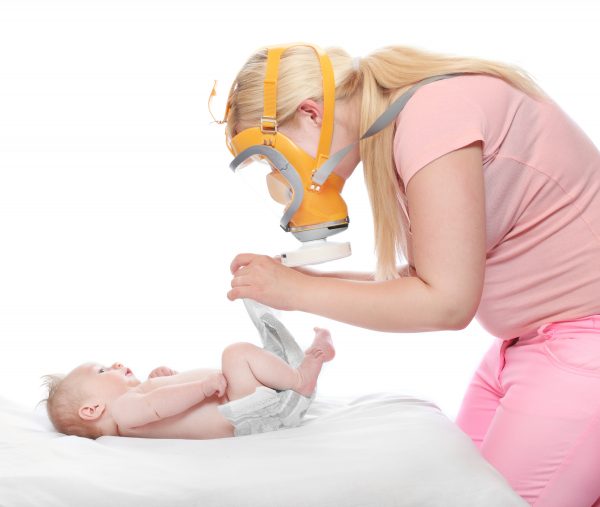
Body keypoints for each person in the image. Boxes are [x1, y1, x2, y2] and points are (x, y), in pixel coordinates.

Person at [221, 43, 600, 506]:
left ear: (311, 113)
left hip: (582, 348)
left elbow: (446, 302)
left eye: (273, 157)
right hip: (525, 349)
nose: (279, 179)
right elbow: (428, 276)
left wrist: (298, 291)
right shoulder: (407, 118)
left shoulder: (434, 117)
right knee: (456, 491)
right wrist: (300, 286)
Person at [40, 327, 334, 439]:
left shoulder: (135, 402)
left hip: (239, 402)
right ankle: (299, 378)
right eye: (102, 371)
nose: (114, 365)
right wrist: (200, 387)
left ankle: (297, 365)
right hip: (242, 410)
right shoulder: (123, 411)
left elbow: (163, 405)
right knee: (236, 354)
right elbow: (157, 406)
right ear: (92, 409)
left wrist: (169, 378)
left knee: (246, 358)